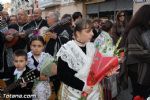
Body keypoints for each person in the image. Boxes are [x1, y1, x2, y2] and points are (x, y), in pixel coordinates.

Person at [57, 18, 101, 100]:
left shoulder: (92, 47)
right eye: (88, 31)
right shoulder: (66, 49)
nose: (92, 34)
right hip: (72, 94)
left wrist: (108, 72)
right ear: (77, 33)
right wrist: (83, 86)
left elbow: (98, 68)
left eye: (92, 31)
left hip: (93, 92)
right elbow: (62, 74)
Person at [123, 5, 150, 100]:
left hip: (146, 67)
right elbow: (137, 51)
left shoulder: (147, 29)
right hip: (136, 69)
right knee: (139, 94)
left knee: (145, 93)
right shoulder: (134, 31)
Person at [27, 36, 57, 100]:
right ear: (30, 46)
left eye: (39, 46)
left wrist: (48, 76)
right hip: (29, 87)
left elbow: (54, 70)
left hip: (45, 87)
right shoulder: (25, 57)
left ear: (43, 46)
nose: (36, 48)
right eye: (34, 46)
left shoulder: (47, 56)